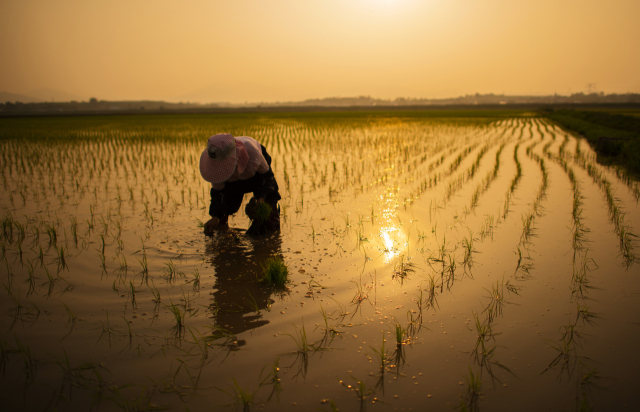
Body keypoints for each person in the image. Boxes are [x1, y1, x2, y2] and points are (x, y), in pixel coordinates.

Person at [199, 133, 281, 235]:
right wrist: (215, 217)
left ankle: (270, 237)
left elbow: (267, 177)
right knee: (224, 209)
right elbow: (219, 193)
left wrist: (261, 198)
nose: (220, 167)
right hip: (232, 183)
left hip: (257, 175)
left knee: (267, 213)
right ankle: (222, 228)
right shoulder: (216, 170)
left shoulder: (252, 154)